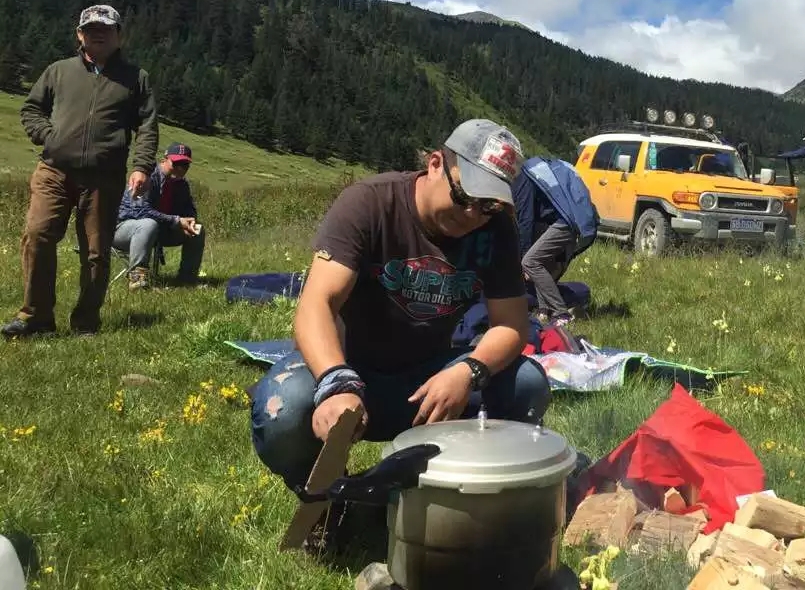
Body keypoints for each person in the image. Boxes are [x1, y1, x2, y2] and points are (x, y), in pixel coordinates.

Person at [249, 118, 551, 506]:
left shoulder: (497, 230)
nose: (473, 215)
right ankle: (325, 496)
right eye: (465, 197)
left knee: (528, 383)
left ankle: (450, 490)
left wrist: (468, 371)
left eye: (489, 206)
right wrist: (336, 381)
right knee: (284, 409)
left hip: (430, 382)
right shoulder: (370, 202)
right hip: (347, 370)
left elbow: (511, 326)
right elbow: (315, 305)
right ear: (436, 164)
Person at [3, 5, 158, 339]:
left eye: (105, 28)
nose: (97, 33)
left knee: (96, 251)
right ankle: (35, 316)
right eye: (90, 29)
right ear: (79, 35)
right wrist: (49, 136)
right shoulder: (59, 71)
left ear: (119, 35)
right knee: (37, 234)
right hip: (54, 171)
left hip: (105, 177)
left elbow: (146, 125)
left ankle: (86, 322)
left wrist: (142, 166)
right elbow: (32, 108)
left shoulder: (136, 78)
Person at [512, 156, 599, 325]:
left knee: (530, 262)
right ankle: (544, 311)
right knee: (540, 264)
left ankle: (561, 313)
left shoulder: (523, 177)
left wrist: (522, 255)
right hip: (572, 221)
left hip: (564, 224)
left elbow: (525, 219)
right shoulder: (534, 172)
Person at [113, 142, 204, 290]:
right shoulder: (148, 177)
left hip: (161, 230)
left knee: (198, 230)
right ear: (165, 159)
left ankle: (187, 279)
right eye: (177, 163)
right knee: (148, 224)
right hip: (125, 229)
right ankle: (138, 278)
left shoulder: (182, 185)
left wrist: (190, 221)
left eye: (185, 165)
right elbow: (141, 211)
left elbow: (189, 209)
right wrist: (176, 220)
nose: (181, 168)